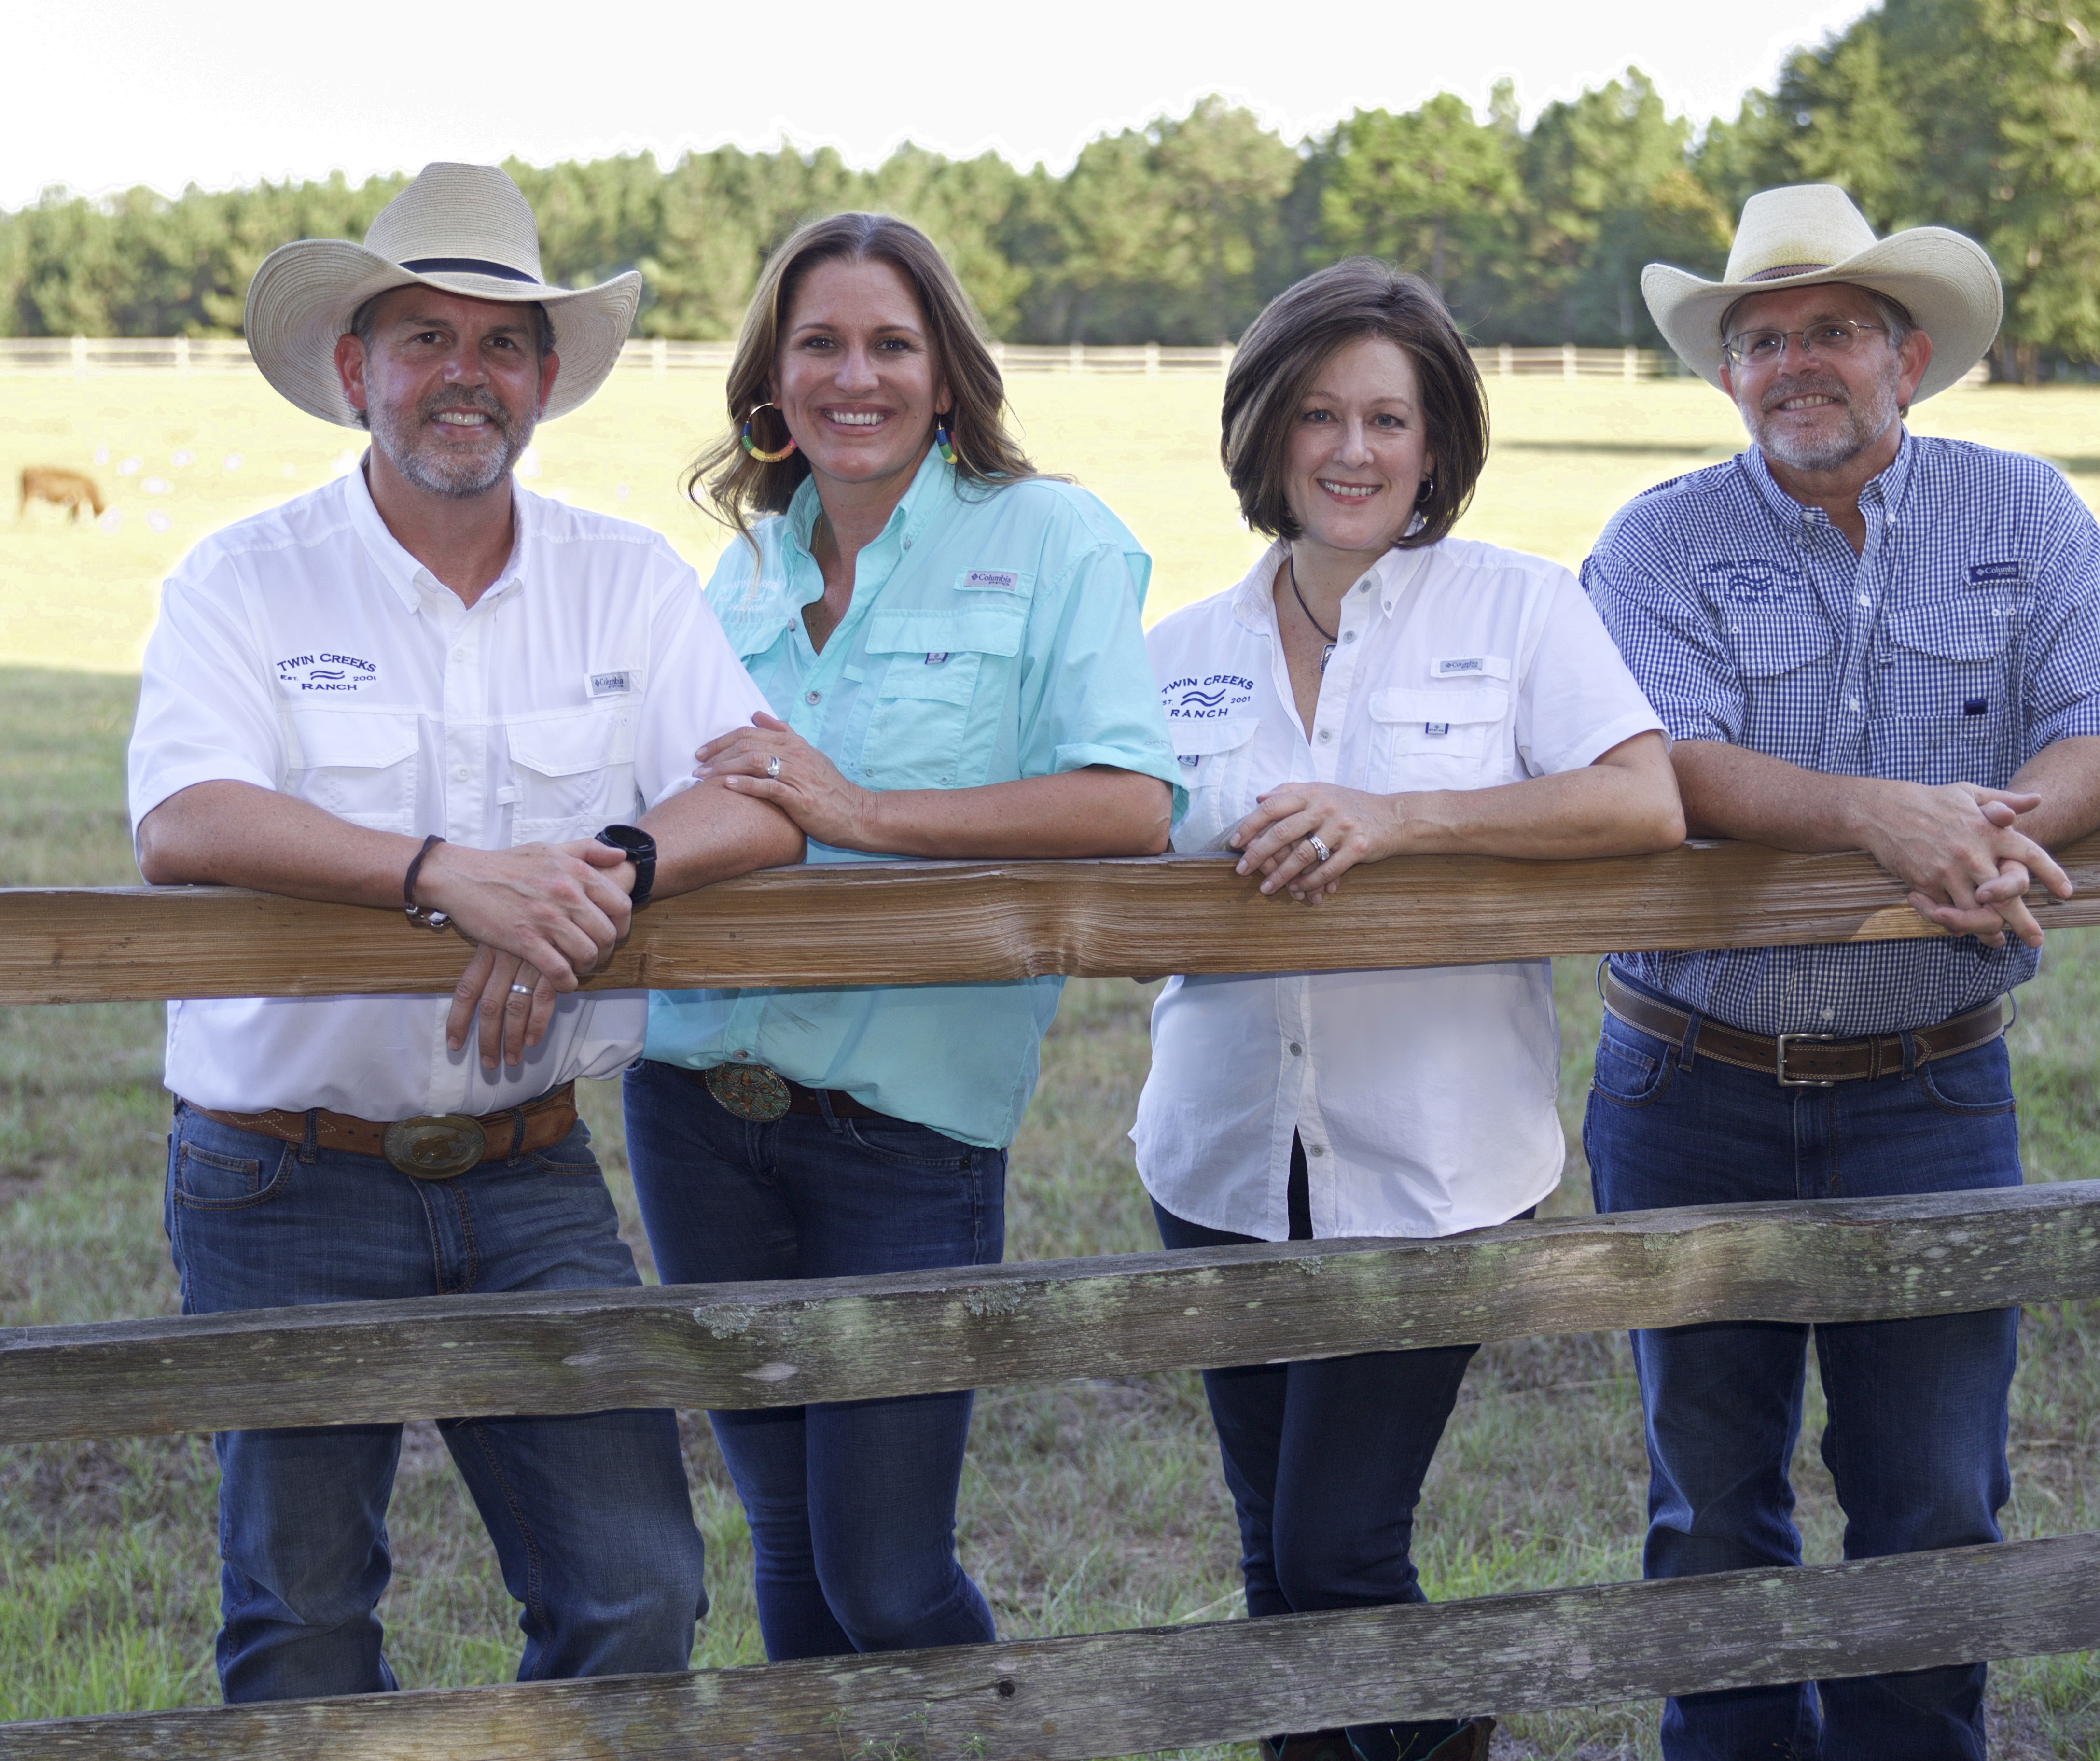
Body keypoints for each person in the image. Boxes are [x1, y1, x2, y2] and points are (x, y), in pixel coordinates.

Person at [127, 163, 805, 1703]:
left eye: (501, 344)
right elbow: (186, 819)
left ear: (547, 382)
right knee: (301, 1614)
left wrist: (602, 871)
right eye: (422, 338)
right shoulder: (243, 579)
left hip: (529, 1161)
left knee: (636, 1588)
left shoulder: (621, 581)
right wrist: (446, 875)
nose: (464, 375)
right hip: (281, 1166)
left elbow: (762, 796)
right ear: (354, 370)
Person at [1581, 184, 2100, 1761]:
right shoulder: (1656, 543)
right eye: (1760, 338)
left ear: (1908, 355)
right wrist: (1887, 822)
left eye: (1831, 330)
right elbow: (1681, 768)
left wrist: (1993, 841)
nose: (1794, 364)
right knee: (1711, 1502)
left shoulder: (2024, 511)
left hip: (1931, 1084)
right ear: (1727, 377)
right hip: (1688, 1080)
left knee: (1935, 1501)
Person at [1133, 258, 1686, 1761]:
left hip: (1434, 1170)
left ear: (1436, 441)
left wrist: (1405, 821)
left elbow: (1642, 804)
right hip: (1221, 1156)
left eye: (1389, 416)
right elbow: (1109, 862)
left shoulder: (1519, 608)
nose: (1353, 450)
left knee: (1338, 1555)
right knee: (1272, 1561)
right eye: (1318, 414)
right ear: (1266, 433)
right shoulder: (1177, 649)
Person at [620, 213, 1180, 1663]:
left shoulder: (1049, 536)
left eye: (889, 344)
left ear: (946, 374)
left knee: (886, 1576)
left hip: (904, 1125)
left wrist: (865, 813)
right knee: (792, 1558)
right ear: (770, 377)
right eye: (819, 343)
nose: (852, 376)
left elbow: (1128, 803)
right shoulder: (737, 575)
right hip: (694, 1108)